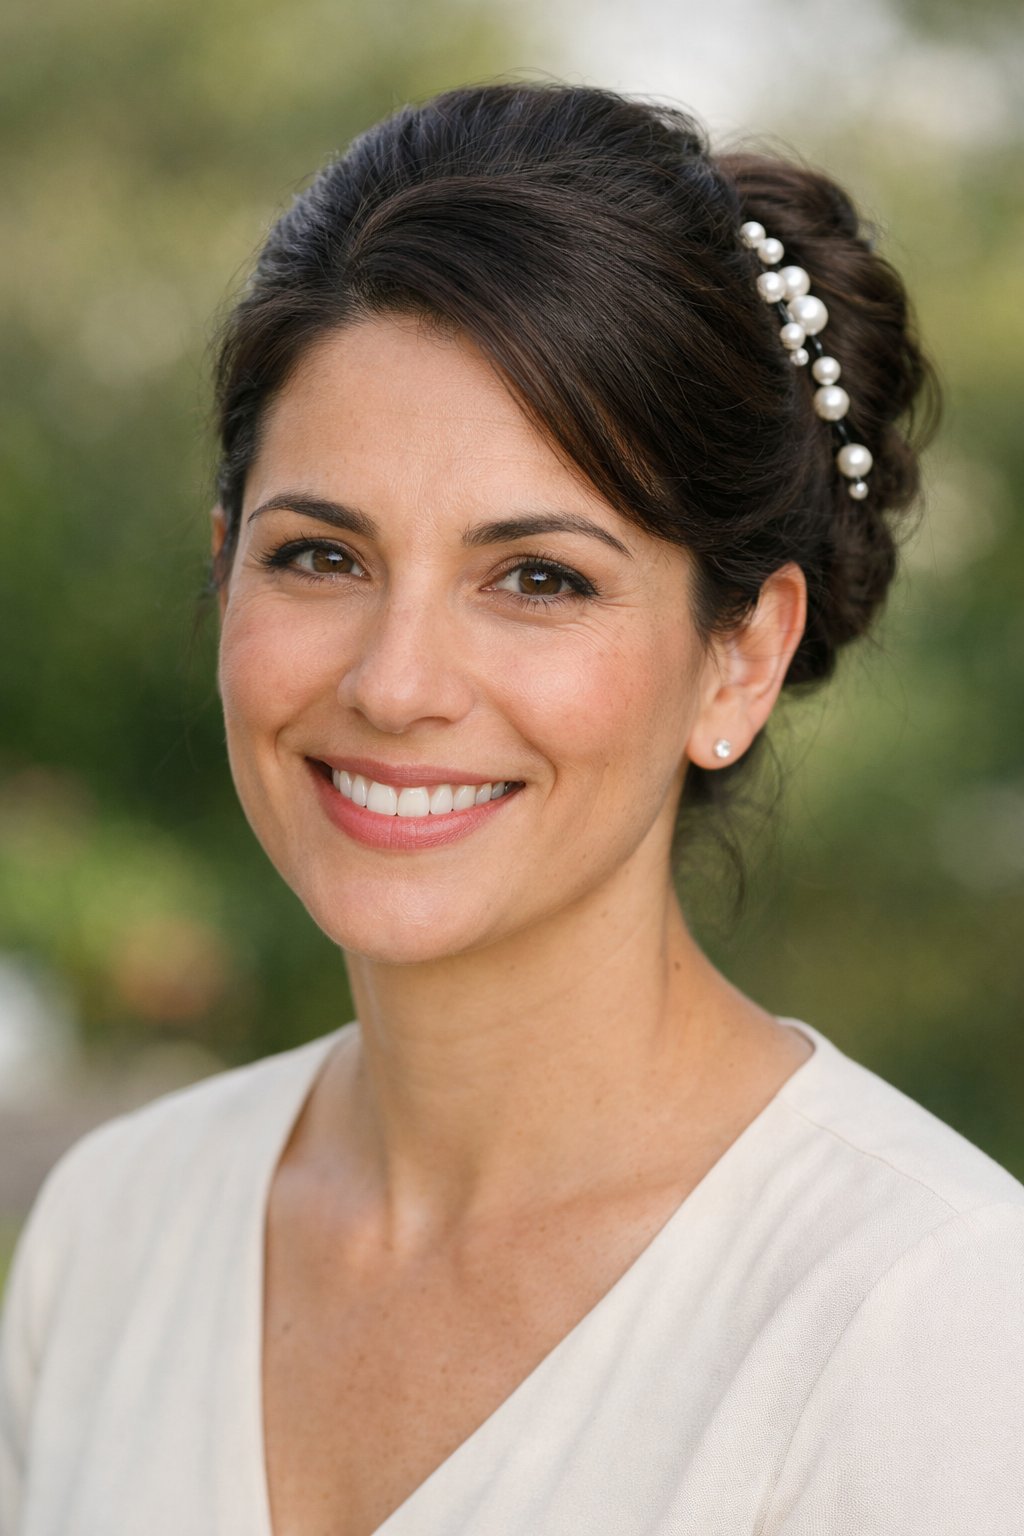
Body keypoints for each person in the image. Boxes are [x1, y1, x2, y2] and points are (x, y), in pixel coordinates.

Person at [1, 80, 1021, 1536]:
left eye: (538, 577)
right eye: (320, 557)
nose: (399, 682)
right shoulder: (113, 1234)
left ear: (740, 656)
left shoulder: (919, 1319)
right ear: (224, 567)